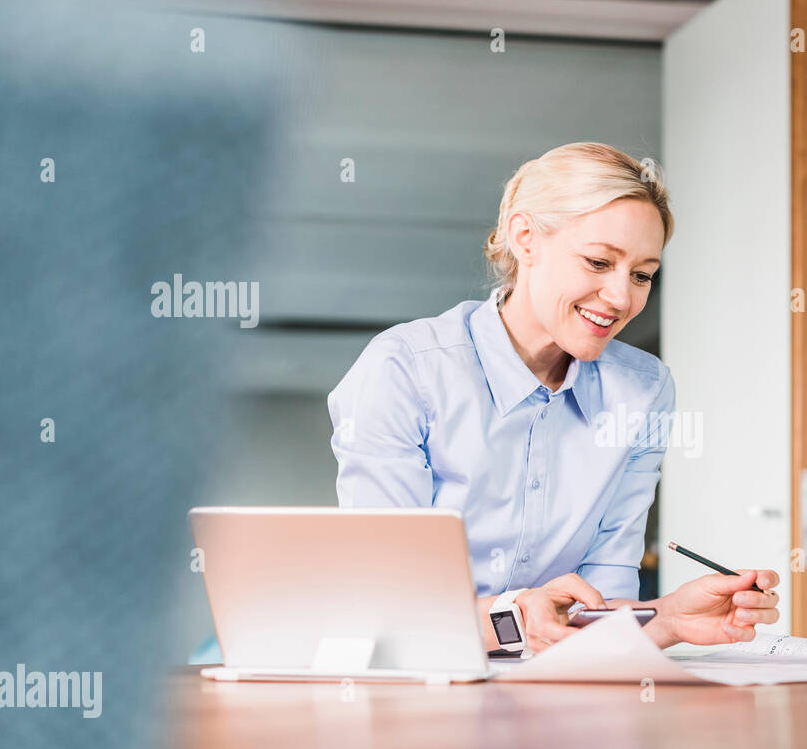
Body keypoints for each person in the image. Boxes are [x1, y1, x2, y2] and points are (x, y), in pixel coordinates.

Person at [327, 142, 780, 655]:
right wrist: (516, 616)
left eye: (642, 275)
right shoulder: (405, 369)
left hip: (560, 692)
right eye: (597, 261)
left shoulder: (644, 390)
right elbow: (389, 602)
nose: (621, 297)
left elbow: (598, 609)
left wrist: (670, 617)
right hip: (419, 687)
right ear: (526, 238)